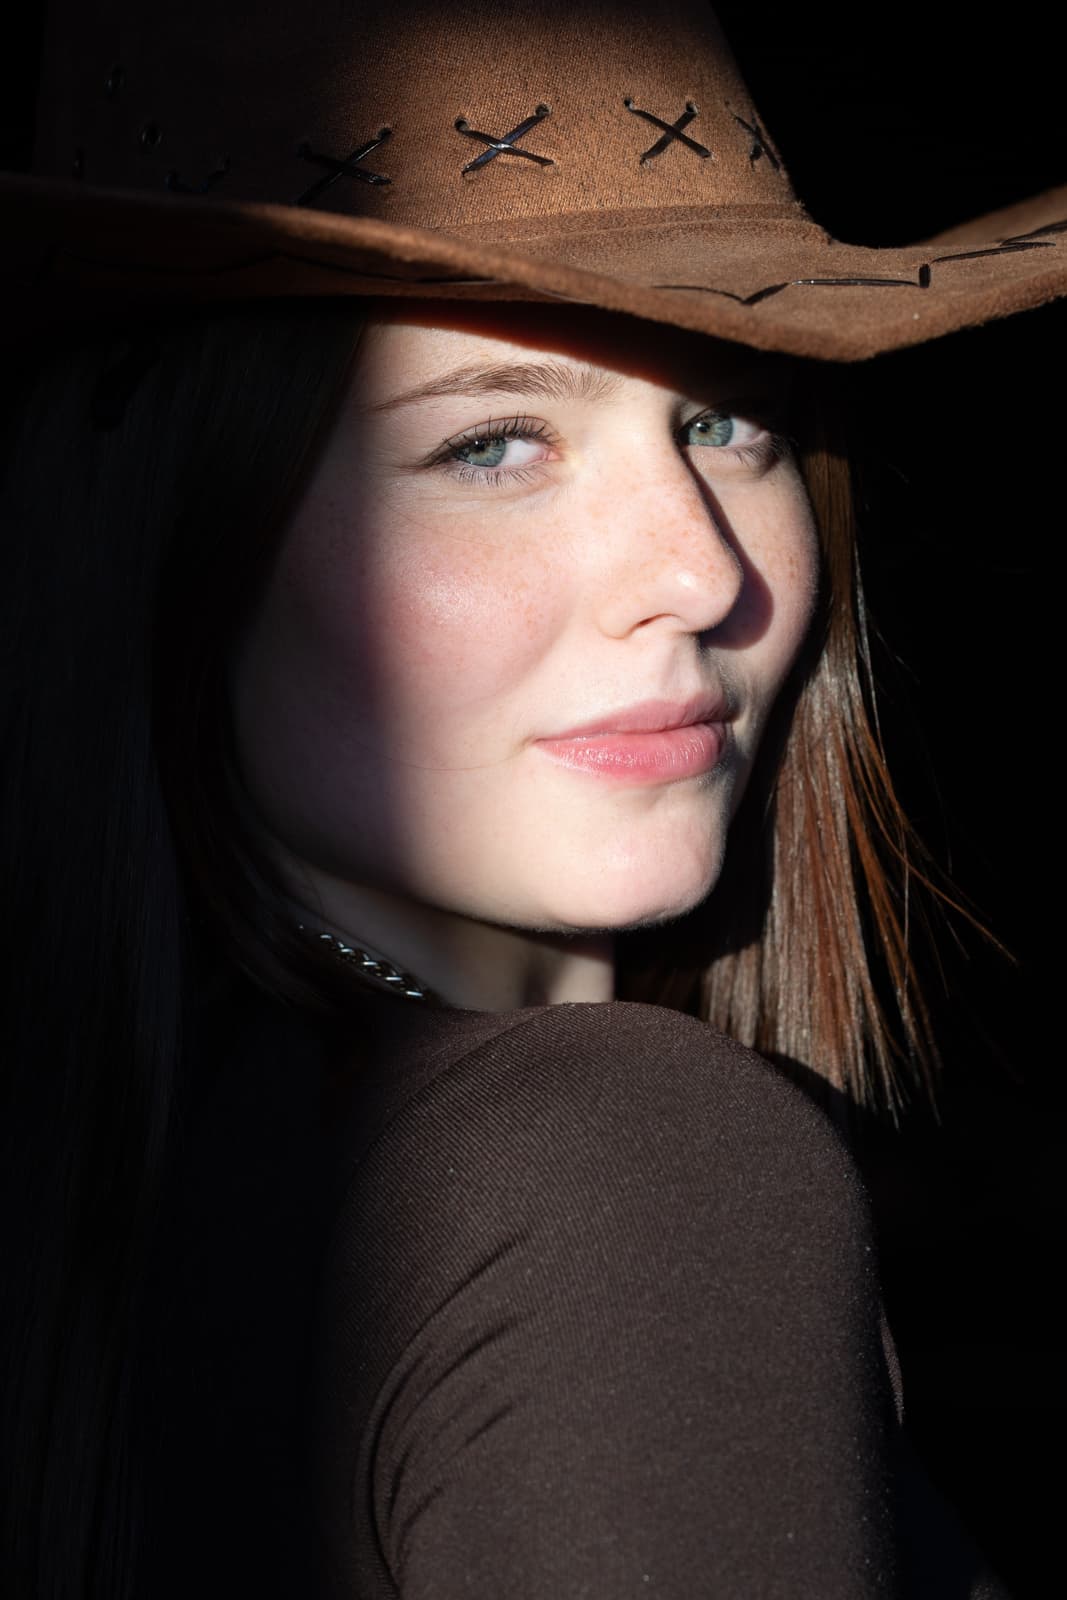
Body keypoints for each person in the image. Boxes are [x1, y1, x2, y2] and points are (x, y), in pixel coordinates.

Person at [1, 2, 1063, 1596]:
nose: (700, 572)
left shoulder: (120, 1227)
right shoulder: (620, 1169)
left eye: (726, 422)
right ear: (182, 541)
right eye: (495, 444)